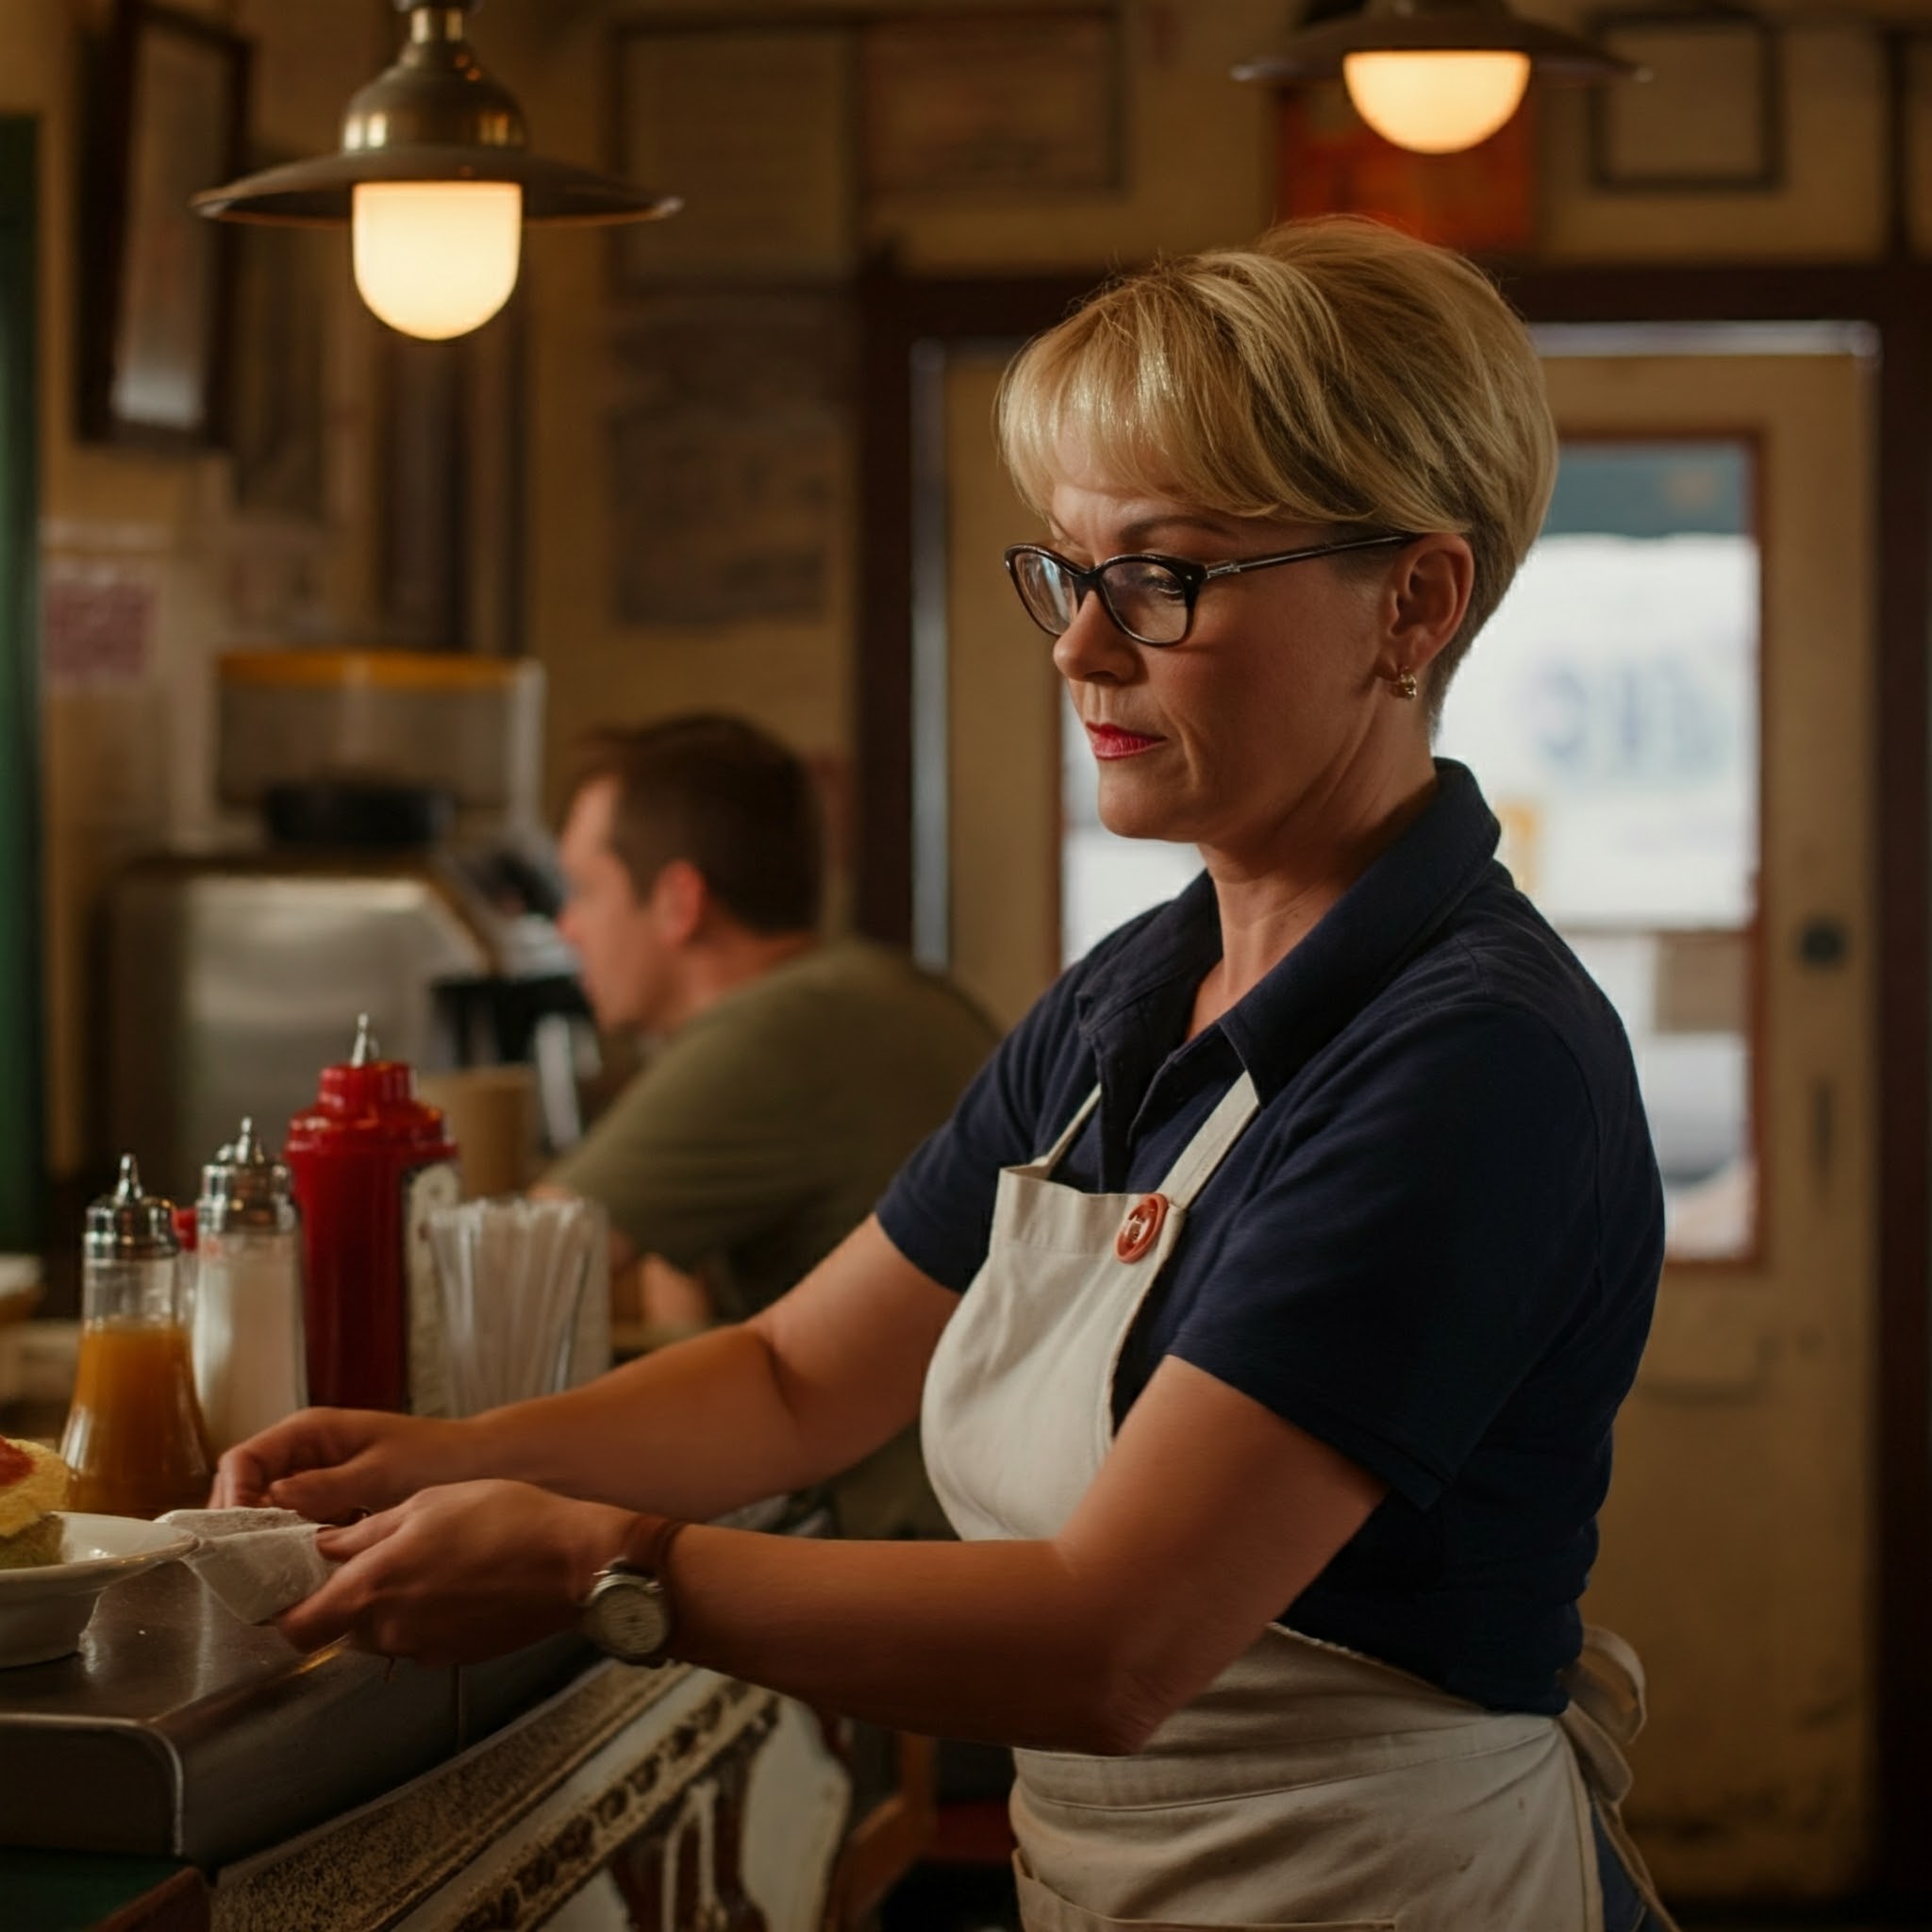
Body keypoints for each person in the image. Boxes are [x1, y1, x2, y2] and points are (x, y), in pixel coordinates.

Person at [216, 218, 1676, 1932]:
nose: (1077, 647)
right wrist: (443, 1455)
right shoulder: (1130, 1000)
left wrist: (591, 1561)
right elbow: (786, 1376)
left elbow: (1112, 1640)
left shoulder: (1467, 1061)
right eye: (1067, 570)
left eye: (1164, 573)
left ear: (1412, 600)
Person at [531, 713, 997, 1536]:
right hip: (980, 1509)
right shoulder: (876, 988)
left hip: (901, 1540)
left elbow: (525, 1260)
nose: (567, 926)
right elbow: (684, 1300)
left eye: (584, 890)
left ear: (679, 901)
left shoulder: (781, 1028)